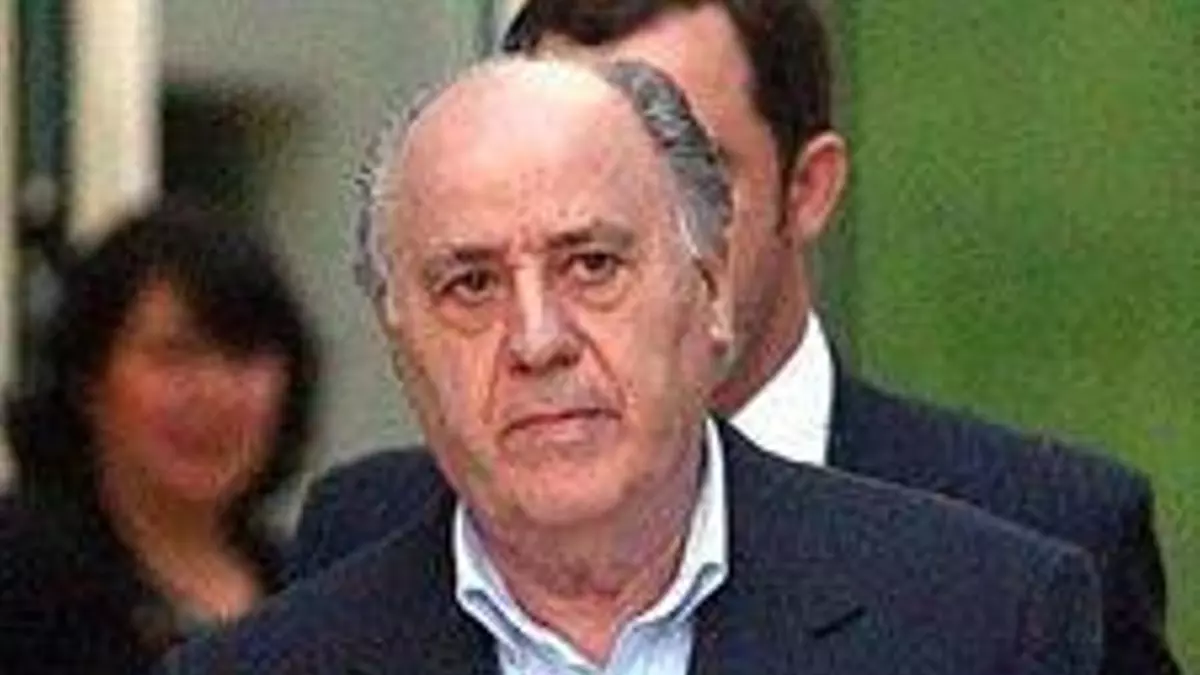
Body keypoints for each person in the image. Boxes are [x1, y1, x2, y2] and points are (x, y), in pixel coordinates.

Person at [294, 3, 1178, 674]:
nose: (538, 337)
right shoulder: (343, 567)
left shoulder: (1007, 585)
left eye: (593, 261)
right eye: (472, 281)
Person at [0, 198, 320, 674]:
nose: (213, 395)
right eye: (175, 354)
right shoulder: (21, 575)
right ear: (88, 378)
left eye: (244, 358)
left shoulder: (313, 588)